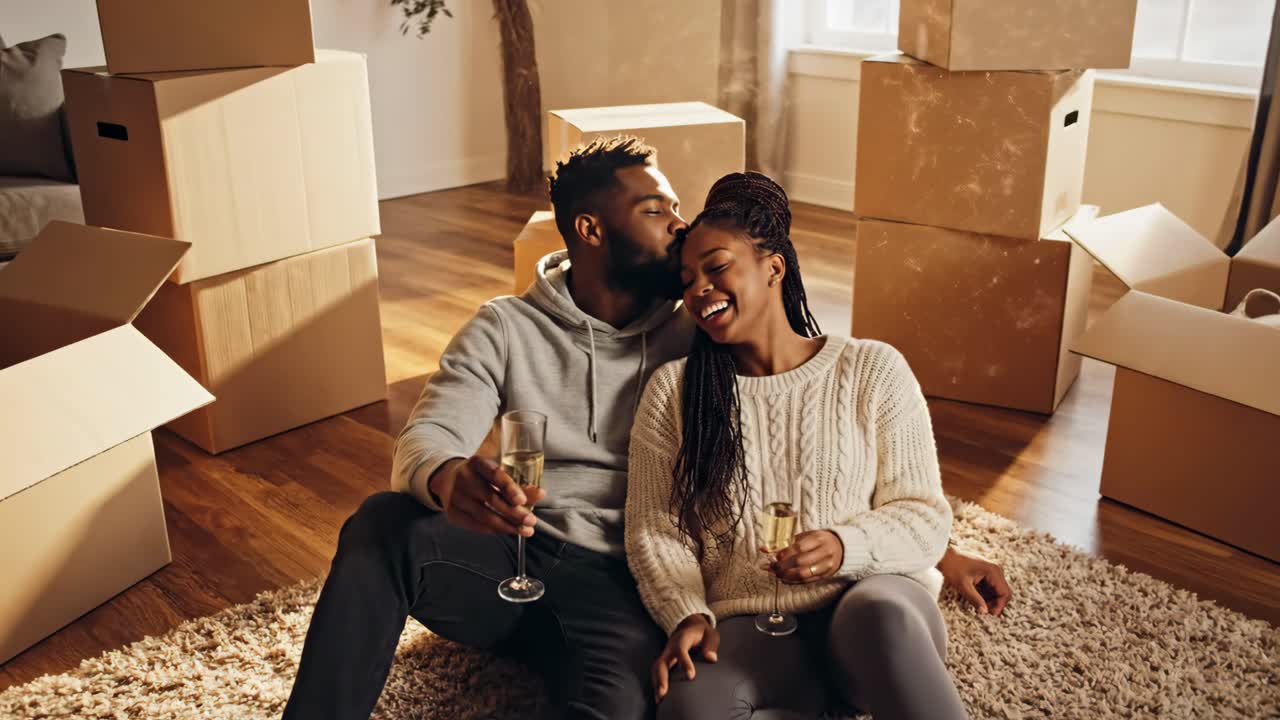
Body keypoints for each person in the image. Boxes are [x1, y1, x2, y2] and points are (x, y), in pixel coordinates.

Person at [282, 138, 1008, 720]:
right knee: (383, 523)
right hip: (517, 557)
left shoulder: (706, 335)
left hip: (626, 590)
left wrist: (937, 555)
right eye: (660, 210)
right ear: (593, 229)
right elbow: (426, 439)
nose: (681, 226)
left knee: (640, 701)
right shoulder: (506, 329)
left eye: (684, 215)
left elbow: (810, 444)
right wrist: (446, 480)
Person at [625, 172, 970, 719]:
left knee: (882, 613)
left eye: (716, 267)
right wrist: (687, 613)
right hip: (753, 629)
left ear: (774, 267)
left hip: (870, 607)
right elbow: (656, 529)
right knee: (688, 707)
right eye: (686, 280)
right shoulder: (674, 391)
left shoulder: (872, 370)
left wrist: (844, 545)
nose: (698, 290)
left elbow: (925, 514)